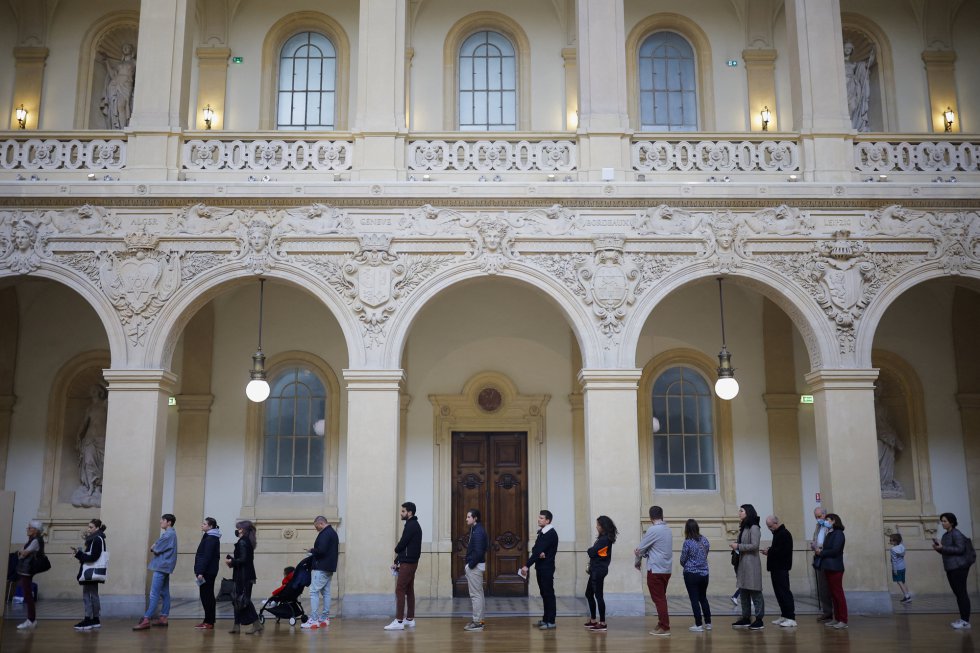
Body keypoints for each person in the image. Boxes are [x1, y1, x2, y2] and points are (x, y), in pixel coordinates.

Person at [133, 514, 178, 630]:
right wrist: (155, 546)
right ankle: (163, 617)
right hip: (165, 566)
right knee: (164, 592)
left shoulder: (168, 535)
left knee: (154, 594)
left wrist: (154, 547)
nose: (160, 522)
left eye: (162, 520)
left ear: (169, 522)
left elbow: (155, 548)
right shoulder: (171, 534)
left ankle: (146, 618)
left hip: (161, 567)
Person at [635, 505, 672, 637]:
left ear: (650, 517)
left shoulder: (653, 530)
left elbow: (640, 549)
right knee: (661, 597)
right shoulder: (668, 529)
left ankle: (665, 627)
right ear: (662, 515)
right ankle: (661, 623)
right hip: (666, 569)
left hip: (656, 569)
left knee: (659, 599)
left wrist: (637, 561)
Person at [932, 512, 973, 630]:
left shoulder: (956, 533)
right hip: (951, 567)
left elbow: (960, 549)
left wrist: (943, 547)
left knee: (962, 594)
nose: (942, 523)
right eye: (942, 521)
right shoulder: (946, 535)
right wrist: (938, 548)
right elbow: (946, 551)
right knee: (958, 594)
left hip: (959, 568)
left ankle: (965, 621)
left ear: (952, 522)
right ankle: (963, 619)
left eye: (945, 521)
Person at [385, 502, 423, 631]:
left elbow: (402, 543)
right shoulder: (413, 525)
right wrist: (397, 561)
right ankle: (410, 619)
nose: (401, 513)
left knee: (400, 589)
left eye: (403, 511)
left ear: (410, 512)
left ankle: (399, 621)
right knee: (409, 590)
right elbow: (406, 546)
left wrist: (396, 550)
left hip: (408, 563)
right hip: (410, 561)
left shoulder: (411, 525)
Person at [521, 509, 559, 630]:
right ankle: (545, 619)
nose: (539, 519)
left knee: (548, 594)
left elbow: (537, 550)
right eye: (539, 517)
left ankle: (551, 621)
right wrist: (539, 552)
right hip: (541, 567)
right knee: (544, 594)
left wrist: (527, 565)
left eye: (542, 518)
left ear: (548, 520)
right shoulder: (543, 532)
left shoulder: (550, 533)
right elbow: (535, 549)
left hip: (547, 568)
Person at [71, 384, 108, 508]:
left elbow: (114, 391)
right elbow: (84, 423)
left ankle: (98, 488)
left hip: (102, 439)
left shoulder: (105, 404)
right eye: (91, 390)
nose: (91, 391)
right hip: (89, 438)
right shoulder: (90, 408)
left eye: (94, 389)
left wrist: (103, 382)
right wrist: (78, 435)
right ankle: (90, 488)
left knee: (101, 464)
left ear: (100, 391)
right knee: (88, 462)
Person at [731, 504, 764, 630]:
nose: (739, 513)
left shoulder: (754, 527)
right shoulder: (744, 527)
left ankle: (759, 619)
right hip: (743, 563)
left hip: (751, 564)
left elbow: (755, 545)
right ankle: (746, 617)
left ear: (748, 513)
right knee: (744, 591)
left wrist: (738, 546)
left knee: (755, 591)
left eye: (741, 511)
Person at [304, 515, 339, 631]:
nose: (316, 529)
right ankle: (324, 618)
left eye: (316, 527)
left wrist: (311, 550)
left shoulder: (325, 533)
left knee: (314, 591)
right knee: (326, 593)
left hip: (322, 567)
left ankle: (314, 620)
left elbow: (322, 551)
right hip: (329, 567)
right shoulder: (333, 533)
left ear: (321, 523)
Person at [72, 519, 108, 631]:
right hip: (92, 571)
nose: (89, 529)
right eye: (88, 527)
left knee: (88, 595)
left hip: (90, 571)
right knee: (92, 594)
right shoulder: (97, 538)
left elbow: (93, 557)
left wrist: (78, 554)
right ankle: (94, 619)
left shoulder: (97, 539)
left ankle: (89, 619)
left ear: (97, 528)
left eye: (91, 527)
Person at [583, 515, 617, 632]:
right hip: (595, 569)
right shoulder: (603, 538)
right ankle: (593, 620)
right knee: (588, 594)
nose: (596, 527)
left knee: (598, 596)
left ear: (603, 526)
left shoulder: (604, 539)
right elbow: (594, 552)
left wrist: (590, 550)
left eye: (598, 525)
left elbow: (592, 552)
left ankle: (602, 623)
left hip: (598, 570)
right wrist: (592, 551)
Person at [228, 520, 261, 634]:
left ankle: (256, 624)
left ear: (243, 529)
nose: (237, 530)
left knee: (243, 600)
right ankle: (237, 626)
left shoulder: (243, 542)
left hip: (243, 575)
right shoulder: (247, 541)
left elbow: (243, 559)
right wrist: (233, 561)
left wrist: (231, 561)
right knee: (238, 600)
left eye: (239, 528)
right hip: (244, 574)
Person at [815, 513, 848, 629]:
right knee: (833, 595)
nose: (826, 521)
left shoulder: (838, 534)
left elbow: (835, 550)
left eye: (827, 519)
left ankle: (843, 620)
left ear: (834, 521)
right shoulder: (830, 533)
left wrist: (821, 552)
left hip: (835, 567)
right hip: (828, 566)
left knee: (838, 594)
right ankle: (836, 618)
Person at [763, 515, 796, 627]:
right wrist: (770, 550)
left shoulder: (784, 534)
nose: (769, 528)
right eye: (768, 526)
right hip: (776, 568)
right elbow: (777, 549)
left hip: (781, 568)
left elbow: (783, 552)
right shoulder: (778, 534)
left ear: (776, 523)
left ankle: (791, 617)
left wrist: (770, 551)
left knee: (784, 592)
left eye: (770, 526)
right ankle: (784, 615)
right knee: (779, 593)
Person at [679, 518, 711, 633]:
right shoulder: (705, 540)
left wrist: (688, 564)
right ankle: (708, 623)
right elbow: (706, 554)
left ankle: (698, 624)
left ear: (687, 529)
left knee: (694, 599)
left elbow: (683, 559)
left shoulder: (687, 542)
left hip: (691, 574)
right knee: (703, 598)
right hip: (704, 574)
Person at [15, 520, 46, 630]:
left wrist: (21, 552)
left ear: (35, 530)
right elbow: (23, 552)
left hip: (28, 569)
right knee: (27, 594)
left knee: (28, 595)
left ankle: (31, 620)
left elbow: (24, 553)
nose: (27, 529)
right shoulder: (32, 540)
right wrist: (21, 552)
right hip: (26, 569)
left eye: (29, 528)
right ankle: (31, 619)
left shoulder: (36, 541)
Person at [98, 43, 136, 129]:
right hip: (115, 84)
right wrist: (107, 62)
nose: (125, 48)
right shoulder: (119, 64)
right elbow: (112, 75)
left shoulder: (134, 62)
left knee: (122, 105)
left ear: (132, 50)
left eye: (128, 47)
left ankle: (123, 128)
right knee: (115, 106)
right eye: (124, 47)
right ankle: (118, 128)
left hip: (126, 84)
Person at [463, 508, 489, 632]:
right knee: (479, 594)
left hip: (475, 567)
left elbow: (479, 552)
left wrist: (470, 565)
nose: (466, 519)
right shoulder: (476, 530)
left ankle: (478, 622)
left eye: (469, 517)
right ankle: (480, 620)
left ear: (475, 518)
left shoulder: (478, 532)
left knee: (475, 595)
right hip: (476, 566)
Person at [193, 517, 221, 630]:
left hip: (207, 572)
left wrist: (200, 572)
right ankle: (208, 620)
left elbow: (206, 557)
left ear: (210, 526)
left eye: (204, 524)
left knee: (207, 596)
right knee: (207, 596)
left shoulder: (210, 538)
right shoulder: (210, 537)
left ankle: (209, 622)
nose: (202, 525)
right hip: (208, 571)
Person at [843, 41, 876, 132]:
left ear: (852, 50)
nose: (847, 50)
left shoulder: (854, 63)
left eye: (849, 48)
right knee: (845, 105)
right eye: (846, 47)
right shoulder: (839, 62)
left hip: (852, 85)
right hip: (843, 84)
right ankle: (845, 124)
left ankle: (853, 123)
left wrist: (871, 58)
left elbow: (864, 66)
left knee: (853, 106)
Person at [809, 506, 833, 621]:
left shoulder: (830, 525)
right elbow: (816, 537)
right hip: (819, 557)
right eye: (816, 517)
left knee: (831, 586)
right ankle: (827, 611)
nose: (817, 519)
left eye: (819, 516)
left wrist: (821, 548)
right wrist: (813, 544)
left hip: (828, 558)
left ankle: (835, 612)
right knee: (823, 587)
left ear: (825, 514)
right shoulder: (818, 525)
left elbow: (831, 542)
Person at [889, 533, 912, 604]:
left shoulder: (893, 549)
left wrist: (894, 570)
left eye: (891, 540)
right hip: (903, 567)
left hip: (897, 568)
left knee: (899, 582)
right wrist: (898, 530)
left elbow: (894, 560)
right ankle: (908, 595)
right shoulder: (902, 546)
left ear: (895, 541)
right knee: (903, 581)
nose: (890, 541)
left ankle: (907, 597)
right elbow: (901, 539)